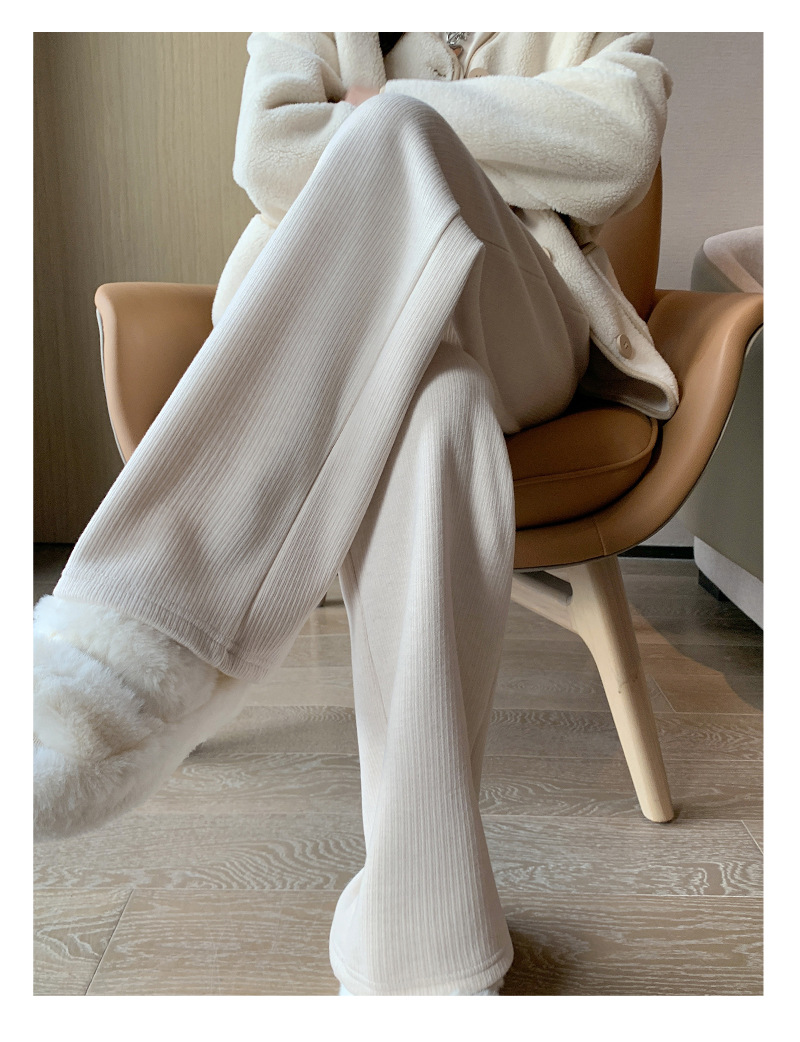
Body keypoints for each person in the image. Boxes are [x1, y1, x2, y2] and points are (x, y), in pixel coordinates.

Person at [33, 32, 678, 996]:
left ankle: (138, 642)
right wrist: (514, 134)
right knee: (438, 411)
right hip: (361, 336)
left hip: (523, 322)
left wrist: (394, 119)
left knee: (396, 135)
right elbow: (268, 152)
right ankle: (433, 950)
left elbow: (619, 143)